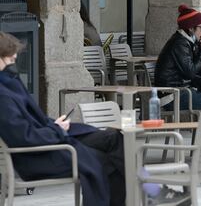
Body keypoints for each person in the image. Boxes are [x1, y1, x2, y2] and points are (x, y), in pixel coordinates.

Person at [0, 32, 124, 206]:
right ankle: (147, 191)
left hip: (52, 140)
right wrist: (56, 129)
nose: (14, 61)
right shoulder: (3, 95)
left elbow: (34, 122)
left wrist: (55, 125)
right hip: (39, 156)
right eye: (10, 59)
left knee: (116, 138)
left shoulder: (9, 84)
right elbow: (24, 138)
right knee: (109, 161)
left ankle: (148, 188)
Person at [155, 4, 201, 112]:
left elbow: (190, 72)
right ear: (191, 28)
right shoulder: (179, 43)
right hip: (173, 96)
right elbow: (190, 72)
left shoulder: (186, 42)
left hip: (182, 91)